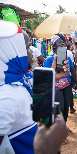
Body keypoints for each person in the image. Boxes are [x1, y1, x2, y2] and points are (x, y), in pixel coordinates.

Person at [0, 21, 38, 154]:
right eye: (27, 48)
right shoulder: (8, 97)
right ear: (12, 51)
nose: (31, 54)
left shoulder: (16, 82)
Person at [43, 35, 76, 125]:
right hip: (56, 87)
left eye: (62, 41)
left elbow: (72, 70)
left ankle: (63, 126)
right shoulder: (49, 60)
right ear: (54, 46)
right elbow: (46, 75)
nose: (62, 43)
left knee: (66, 107)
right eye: (59, 42)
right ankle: (57, 128)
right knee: (59, 107)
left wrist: (74, 82)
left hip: (67, 85)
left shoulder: (67, 58)